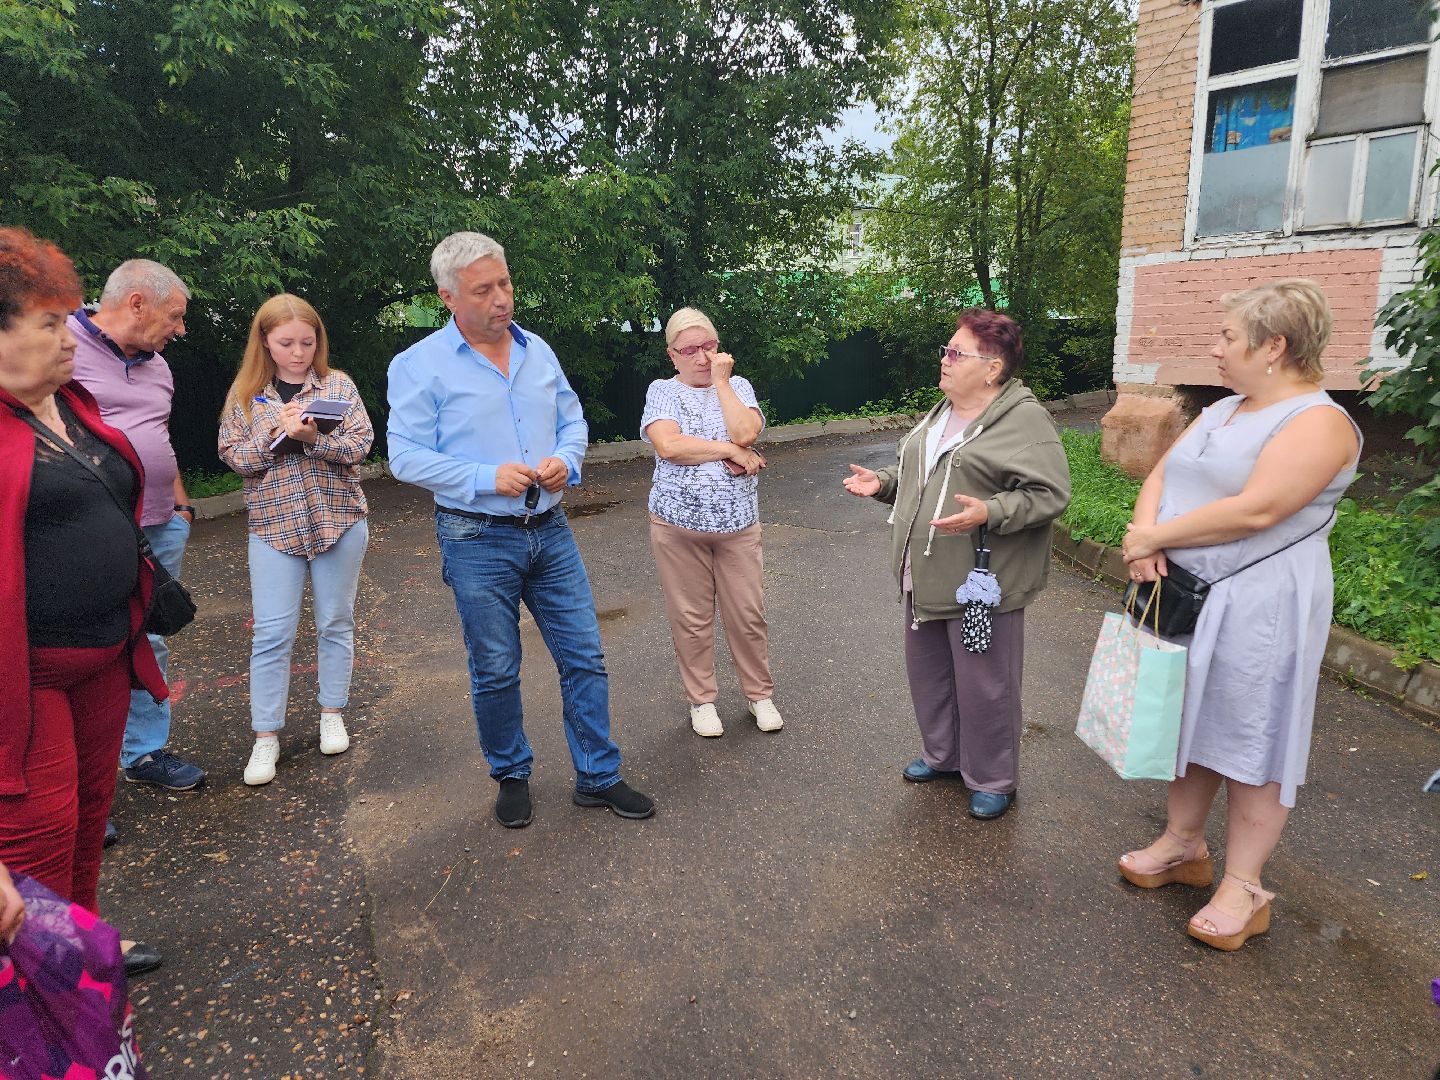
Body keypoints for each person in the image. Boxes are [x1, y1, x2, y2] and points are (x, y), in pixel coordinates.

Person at [1117, 279, 1361, 951]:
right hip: (1187, 587)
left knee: (1255, 730)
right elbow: (1161, 476)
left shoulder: (1319, 422)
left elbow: (1258, 510)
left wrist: (1158, 539)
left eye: (1227, 337)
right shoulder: (1223, 409)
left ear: (1274, 346)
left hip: (1264, 601)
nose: (1216, 349)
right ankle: (1183, 845)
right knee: (1187, 713)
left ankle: (1245, 885)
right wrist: (1144, 536)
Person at [387, 231, 655, 829]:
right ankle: (511, 774)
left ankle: (599, 775)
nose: (501, 298)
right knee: (496, 666)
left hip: (551, 528)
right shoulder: (418, 365)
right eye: (483, 290)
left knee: (585, 656)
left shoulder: (538, 351)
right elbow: (403, 456)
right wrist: (485, 476)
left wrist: (568, 458)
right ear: (448, 297)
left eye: (504, 283)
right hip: (476, 535)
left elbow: (572, 417)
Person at [0, 227, 168, 975]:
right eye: (46, 323)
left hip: (106, 653)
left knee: (87, 817)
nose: (70, 335)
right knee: (35, 837)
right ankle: (48, 988)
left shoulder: (69, 402)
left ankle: (83, 945)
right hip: (28, 677)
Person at [842, 309, 1070, 820]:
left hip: (980, 585)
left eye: (954, 353)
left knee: (986, 683)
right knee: (929, 673)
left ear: (992, 368)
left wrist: (993, 511)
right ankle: (942, 755)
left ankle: (994, 778)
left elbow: (1050, 493)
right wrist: (882, 483)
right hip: (923, 574)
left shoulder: (1024, 420)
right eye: (945, 350)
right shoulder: (941, 413)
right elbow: (915, 474)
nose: (943, 361)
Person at [218, 294, 373, 786]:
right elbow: (233, 455)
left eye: (308, 342)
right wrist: (276, 435)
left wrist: (312, 439)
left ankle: (332, 711)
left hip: (339, 519)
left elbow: (361, 444)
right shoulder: (247, 394)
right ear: (264, 341)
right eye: (286, 343)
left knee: (335, 621)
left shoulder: (337, 385)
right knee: (271, 633)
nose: (298, 352)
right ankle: (266, 737)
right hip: (273, 526)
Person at [69, 259, 206, 793]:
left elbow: (156, 435)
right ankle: (80, 779)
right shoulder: (58, 346)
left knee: (150, 636)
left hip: (160, 525)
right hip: (89, 527)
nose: (180, 329)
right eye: (174, 316)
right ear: (136, 303)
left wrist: (182, 507)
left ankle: (144, 753)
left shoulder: (158, 366)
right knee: (82, 645)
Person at [640, 307, 781, 737]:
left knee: (748, 614)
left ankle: (759, 695)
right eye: (691, 350)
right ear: (672, 355)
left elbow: (745, 433)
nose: (702, 357)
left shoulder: (737, 386)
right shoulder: (663, 391)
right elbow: (669, 445)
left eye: (710, 347)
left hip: (738, 525)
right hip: (677, 525)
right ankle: (702, 701)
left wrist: (721, 386)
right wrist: (729, 452)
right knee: (691, 617)